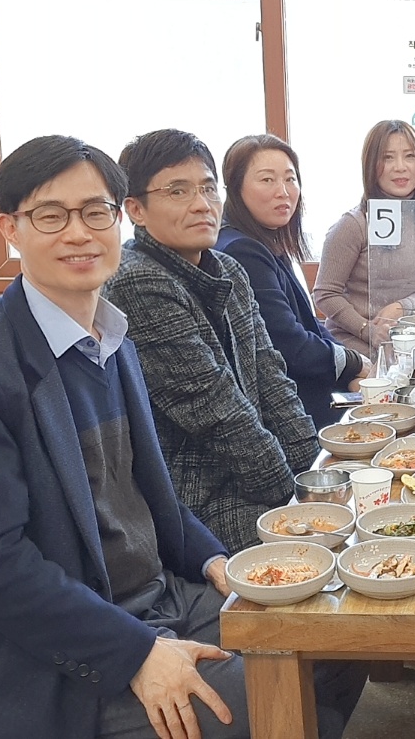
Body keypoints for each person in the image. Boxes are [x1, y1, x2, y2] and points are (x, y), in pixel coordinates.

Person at [0, 135, 245, 739]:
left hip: (161, 598)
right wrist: (137, 653)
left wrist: (213, 558)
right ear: (10, 229)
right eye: (50, 216)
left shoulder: (112, 338)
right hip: (63, 653)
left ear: (119, 219)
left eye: (95, 212)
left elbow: (147, 495)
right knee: (278, 691)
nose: (79, 234)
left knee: (334, 648)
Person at [102, 129, 320, 552]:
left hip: (250, 479)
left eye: (207, 188)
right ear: (135, 209)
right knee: (343, 548)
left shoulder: (227, 268)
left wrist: (313, 473)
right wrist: (293, 498)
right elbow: (215, 411)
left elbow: (271, 377)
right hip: (199, 502)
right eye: (177, 191)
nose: (201, 204)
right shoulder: (137, 280)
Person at [215, 134, 369, 428]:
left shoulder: (265, 241)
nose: (283, 191)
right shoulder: (241, 250)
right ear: (235, 187)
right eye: (267, 180)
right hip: (289, 415)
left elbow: (309, 325)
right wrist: (355, 363)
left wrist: (353, 363)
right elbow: (289, 346)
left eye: (290, 179)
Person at [313, 119, 415, 355]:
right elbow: (325, 294)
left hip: (410, 340)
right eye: (387, 158)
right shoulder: (353, 224)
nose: (400, 167)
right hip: (355, 344)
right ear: (371, 165)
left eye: (410, 156)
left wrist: (403, 307)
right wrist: (367, 330)